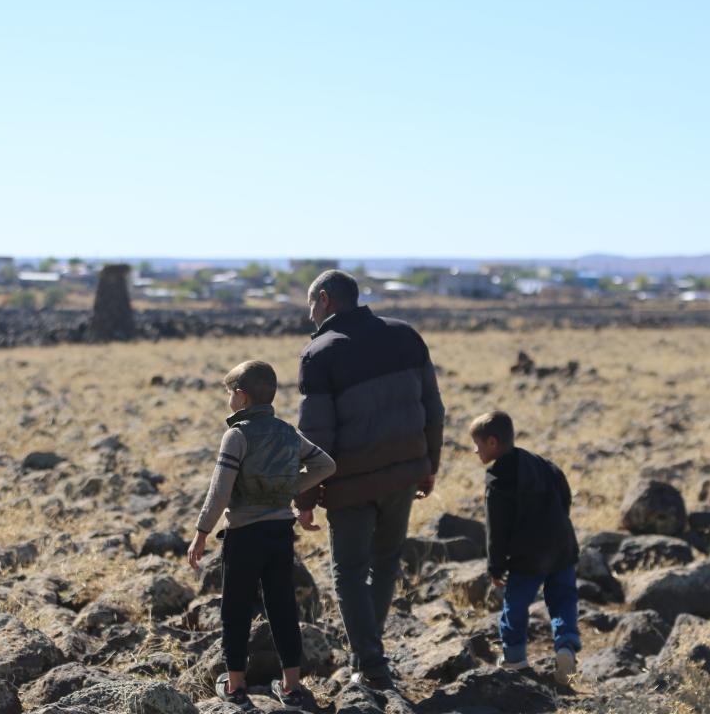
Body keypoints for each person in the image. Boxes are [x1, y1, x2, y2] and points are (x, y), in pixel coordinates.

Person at [294, 269, 444, 689]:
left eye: (311, 305)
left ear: (324, 300)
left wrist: (304, 497)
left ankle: (371, 664)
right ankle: (370, 655)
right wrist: (430, 462)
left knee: (348, 572)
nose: (310, 316)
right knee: (385, 562)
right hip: (404, 473)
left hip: (351, 484)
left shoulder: (319, 354)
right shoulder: (406, 336)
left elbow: (315, 436)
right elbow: (433, 406)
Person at [189, 360, 337, 710]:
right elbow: (326, 466)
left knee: (235, 609)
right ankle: (291, 686)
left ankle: (236, 685)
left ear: (240, 397)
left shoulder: (236, 436)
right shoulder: (288, 432)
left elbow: (220, 491)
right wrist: (288, 490)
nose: (229, 399)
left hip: (243, 535)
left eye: (229, 393)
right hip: (279, 534)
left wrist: (201, 533)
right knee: (283, 606)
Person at [469, 410, 581, 685]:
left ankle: (515, 658)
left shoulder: (497, 478)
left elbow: (496, 528)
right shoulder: (542, 463)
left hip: (526, 556)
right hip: (562, 546)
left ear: (493, 443)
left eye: (478, 444)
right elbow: (565, 496)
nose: (475, 451)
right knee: (563, 599)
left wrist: (495, 565)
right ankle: (565, 645)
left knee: (515, 605)